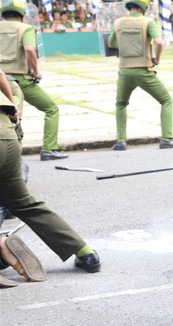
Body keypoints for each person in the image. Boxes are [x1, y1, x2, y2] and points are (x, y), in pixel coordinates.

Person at [0, 69, 101, 278]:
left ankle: (2, 252)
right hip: (8, 138)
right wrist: (13, 109)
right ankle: (84, 252)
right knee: (23, 202)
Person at [107, 0, 173, 151]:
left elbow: (111, 44)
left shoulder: (118, 23)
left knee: (121, 104)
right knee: (166, 100)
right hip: (144, 71)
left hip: (124, 71)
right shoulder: (147, 22)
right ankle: (167, 138)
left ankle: (121, 141)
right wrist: (157, 59)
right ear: (143, 8)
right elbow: (159, 42)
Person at [0, 0, 69, 161]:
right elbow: (30, 49)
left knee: (8, 118)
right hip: (20, 81)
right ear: (22, 16)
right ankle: (48, 149)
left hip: (1, 79)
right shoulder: (26, 28)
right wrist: (36, 72)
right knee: (51, 109)